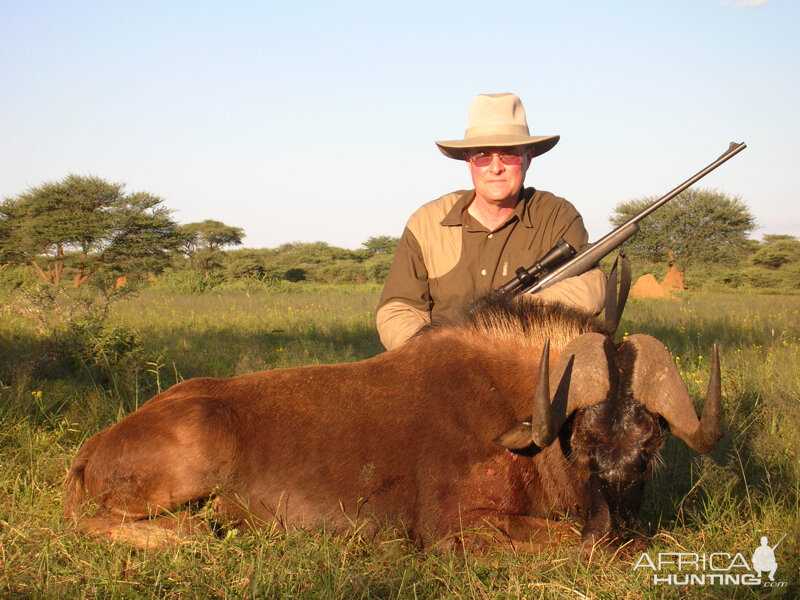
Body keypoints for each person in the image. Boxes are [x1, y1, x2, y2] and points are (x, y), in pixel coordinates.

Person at [376, 93, 606, 351]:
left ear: (528, 157)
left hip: (527, 368)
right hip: (442, 370)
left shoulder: (557, 216)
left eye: (509, 155)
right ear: (468, 161)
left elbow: (590, 287)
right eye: (483, 156)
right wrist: (433, 353)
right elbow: (397, 308)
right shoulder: (427, 223)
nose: (496, 168)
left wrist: (511, 313)